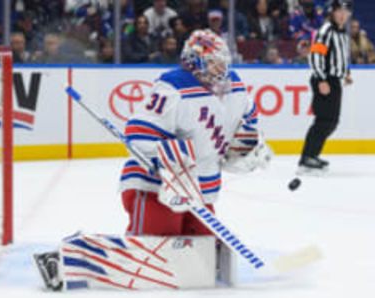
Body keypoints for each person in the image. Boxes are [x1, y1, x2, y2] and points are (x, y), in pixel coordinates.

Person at [33, 29, 272, 291]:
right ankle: (67, 259)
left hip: (198, 192)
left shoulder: (236, 89)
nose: (222, 66)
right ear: (195, 60)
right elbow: (139, 134)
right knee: (151, 253)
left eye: (223, 60)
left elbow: (241, 135)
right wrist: (168, 163)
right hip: (156, 187)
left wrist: (248, 151)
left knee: (202, 254)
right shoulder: (173, 87)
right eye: (214, 60)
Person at [298, 0, 353, 173]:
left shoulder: (343, 32)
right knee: (324, 120)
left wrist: (346, 72)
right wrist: (322, 79)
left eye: (345, 11)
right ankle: (307, 157)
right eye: (339, 11)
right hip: (325, 79)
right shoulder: (326, 30)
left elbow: (341, 55)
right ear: (332, 12)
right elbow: (316, 56)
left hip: (333, 79)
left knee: (331, 121)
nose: (343, 15)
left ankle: (312, 155)